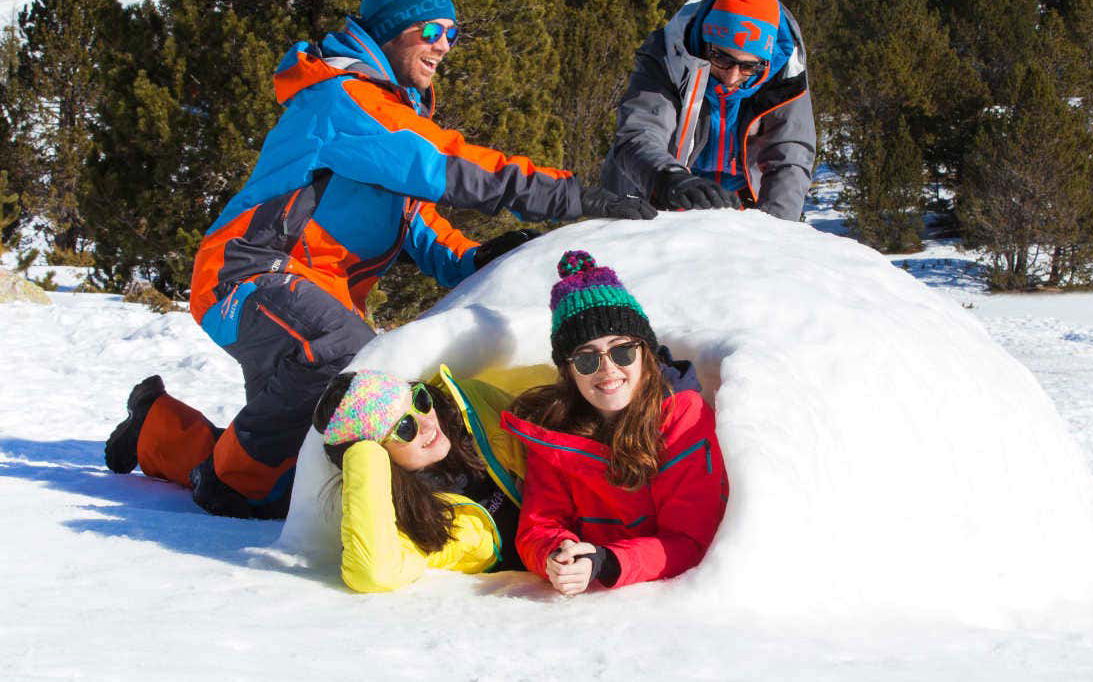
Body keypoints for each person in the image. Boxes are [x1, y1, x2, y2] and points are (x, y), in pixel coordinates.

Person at [103, 0, 655, 519]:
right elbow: (448, 163)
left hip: (312, 297)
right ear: (392, 30)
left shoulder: (388, 111)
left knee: (295, 475)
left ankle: (154, 424)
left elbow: (416, 223)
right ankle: (226, 485)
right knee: (343, 361)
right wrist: (573, 194)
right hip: (246, 273)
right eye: (432, 31)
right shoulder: (341, 100)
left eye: (453, 34)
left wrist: (477, 258)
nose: (445, 46)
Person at [503, 251, 729, 594]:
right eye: (586, 358)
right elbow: (541, 523)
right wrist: (557, 554)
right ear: (569, 370)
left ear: (645, 353)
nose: (607, 369)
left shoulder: (683, 417)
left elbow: (689, 540)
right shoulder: (554, 430)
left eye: (621, 351)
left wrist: (607, 562)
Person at [312, 366, 526, 592]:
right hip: (526, 594)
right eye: (405, 428)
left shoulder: (472, 405)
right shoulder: (409, 524)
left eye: (419, 401)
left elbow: (552, 426)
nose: (427, 423)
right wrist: (364, 453)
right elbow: (375, 573)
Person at [601, 0, 816, 221]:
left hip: (744, 204)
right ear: (705, 42)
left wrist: (774, 229)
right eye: (722, 58)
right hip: (656, 189)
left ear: (765, 61)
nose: (732, 77)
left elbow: (790, 156)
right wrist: (668, 178)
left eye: (748, 66)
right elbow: (640, 132)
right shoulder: (669, 57)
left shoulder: (785, 76)